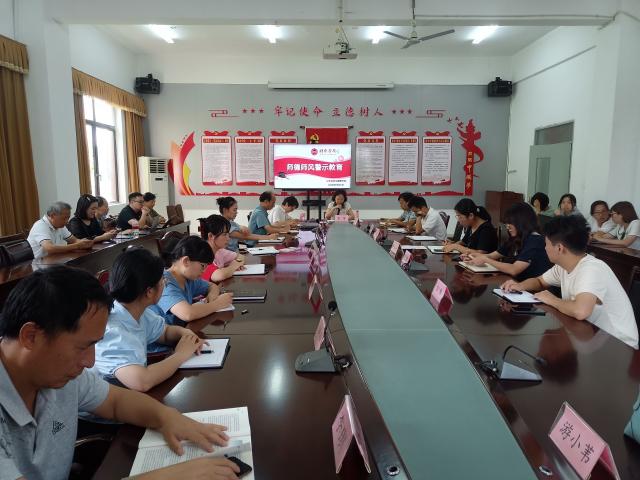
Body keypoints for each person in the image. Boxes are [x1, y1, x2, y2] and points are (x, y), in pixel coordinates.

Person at [0, 265, 240, 480]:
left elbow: (116, 402)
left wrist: (168, 418)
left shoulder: (57, 373)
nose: (90, 361)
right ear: (31, 336)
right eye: (82, 347)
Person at [501, 215, 638, 349]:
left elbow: (580, 311)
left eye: (546, 244)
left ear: (559, 248)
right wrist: (519, 285)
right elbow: (540, 281)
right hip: (591, 334)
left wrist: (552, 299)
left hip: (619, 344)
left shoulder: (591, 269)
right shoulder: (564, 265)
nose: (545, 248)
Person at [92, 248, 207, 392]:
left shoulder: (136, 310)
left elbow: (165, 332)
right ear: (150, 291)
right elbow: (142, 382)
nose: (165, 284)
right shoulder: (113, 332)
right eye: (163, 281)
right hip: (108, 402)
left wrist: (186, 335)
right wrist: (181, 354)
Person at [151, 236, 234, 327]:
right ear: (186, 261)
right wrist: (218, 303)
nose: (204, 271)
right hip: (165, 335)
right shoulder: (164, 283)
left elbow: (212, 286)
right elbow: (188, 314)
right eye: (203, 266)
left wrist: (211, 297)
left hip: (184, 330)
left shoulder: (188, 278)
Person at [464, 202, 552, 280]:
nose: (507, 226)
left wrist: (485, 260)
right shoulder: (516, 238)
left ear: (523, 222)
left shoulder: (535, 240)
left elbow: (514, 269)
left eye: (511, 223)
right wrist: (472, 256)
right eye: (507, 223)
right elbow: (491, 256)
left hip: (530, 289)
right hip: (513, 283)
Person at [27, 201, 94, 258]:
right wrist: (77, 246)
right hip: (38, 264)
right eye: (64, 218)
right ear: (52, 216)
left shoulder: (60, 226)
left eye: (68, 218)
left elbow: (74, 240)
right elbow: (49, 248)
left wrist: (85, 243)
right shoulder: (40, 226)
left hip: (53, 260)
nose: (67, 222)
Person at [200, 214, 246, 282]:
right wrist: (234, 266)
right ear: (211, 236)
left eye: (228, 234)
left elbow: (241, 257)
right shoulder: (202, 253)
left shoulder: (220, 251)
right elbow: (218, 275)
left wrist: (234, 263)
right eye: (224, 234)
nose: (228, 238)